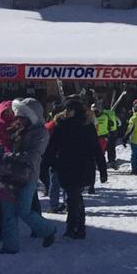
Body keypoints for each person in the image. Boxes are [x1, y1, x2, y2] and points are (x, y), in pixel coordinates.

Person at [0, 99, 60, 253]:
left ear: (32, 116)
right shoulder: (15, 129)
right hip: (8, 174)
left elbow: (33, 156)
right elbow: (0, 143)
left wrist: (8, 156)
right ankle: (10, 246)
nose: (18, 119)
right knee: (8, 211)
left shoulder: (40, 132)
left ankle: (48, 229)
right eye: (18, 115)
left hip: (27, 176)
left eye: (22, 116)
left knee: (24, 211)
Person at [47, 99, 106, 240]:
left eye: (69, 109)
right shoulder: (62, 126)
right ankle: (80, 227)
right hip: (69, 165)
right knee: (75, 196)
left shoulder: (85, 127)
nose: (66, 112)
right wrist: (49, 163)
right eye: (66, 109)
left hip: (79, 166)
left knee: (73, 196)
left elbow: (96, 149)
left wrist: (102, 169)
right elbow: (52, 147)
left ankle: (72, 227)